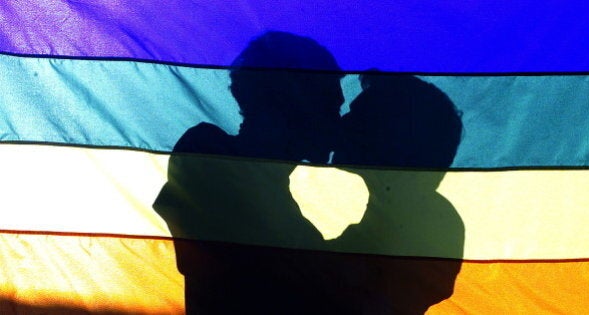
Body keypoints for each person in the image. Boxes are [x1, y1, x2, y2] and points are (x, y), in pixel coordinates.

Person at [154, 31, 352, 314]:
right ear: (293, 104)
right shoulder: (209, 153)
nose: (339, 121)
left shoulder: (273, 190)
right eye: (331, 106)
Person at [330, 73, 465, 314]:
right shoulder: (406, 210)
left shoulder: (427, 219)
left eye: (362, 118)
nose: (344, 123)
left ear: (394, 136)